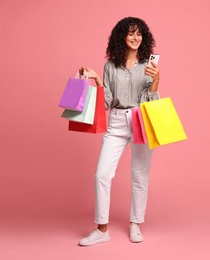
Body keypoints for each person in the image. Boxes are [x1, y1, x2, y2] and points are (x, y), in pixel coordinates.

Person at [78, 17, 160, 246]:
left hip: (141, 119)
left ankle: (135, 223)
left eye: (139, 34)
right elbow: (106, 102)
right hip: (116, 121)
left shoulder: (149, 64)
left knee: (140, 176)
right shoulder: (110, 65)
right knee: (102, 175)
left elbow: (151, 100)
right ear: (121, 36)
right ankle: (101, 229)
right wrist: (96, 80)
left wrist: (156, 82)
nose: (135, 38)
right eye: (131, 33)